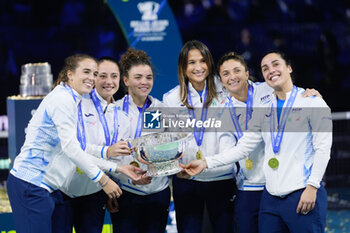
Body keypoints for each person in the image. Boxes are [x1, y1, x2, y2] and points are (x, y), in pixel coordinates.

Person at [183, 51, 332, 233]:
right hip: (270, 195)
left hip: (301, 190)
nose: (271, 71)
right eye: (265, 68)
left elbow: (323, 149)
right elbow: (244, 146)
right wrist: (206, 162)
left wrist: (312, 186)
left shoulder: (312, 102)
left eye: (276, 65)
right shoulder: (264, 108)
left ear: (289, 68)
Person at [6, 54, 143, 233]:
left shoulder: (70, 98)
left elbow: (78, 150)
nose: (91, 78)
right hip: (31, 184)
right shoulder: (63, 100)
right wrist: (103, 180)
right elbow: (72, 149)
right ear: (70, 74)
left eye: (94, 73)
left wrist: (118, 169)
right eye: (86, 72)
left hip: (43, 187)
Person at [49, 56, 134, 233]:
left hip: (94, 193)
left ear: (121, 79)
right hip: (63, 190)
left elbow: (118, 159)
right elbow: (73, 147)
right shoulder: (77, 103)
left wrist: (110, 183)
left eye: (114, 76)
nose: (109, 81)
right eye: (102, 75)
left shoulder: (122, 116)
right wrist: (106, 151)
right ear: (94, 78)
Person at [163, 40, 236, 233]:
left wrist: (303, 92)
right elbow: (167, 141)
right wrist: (173, 168)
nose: (198, 67)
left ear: (210, 63)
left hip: (222, 177)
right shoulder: (171, 98)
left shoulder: (227, 90)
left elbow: (257, 90)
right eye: (191, 62)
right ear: (183, 67)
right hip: (186, 180)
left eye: (202, 61)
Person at [110, 48, 170, 233]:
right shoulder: (114, 110)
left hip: (158, 192)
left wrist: (155, 171)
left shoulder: (162, 108)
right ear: (126, 80)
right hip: (126, 193)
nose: (144, 82)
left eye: (149, 77)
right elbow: (108, 155)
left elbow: (172, 151)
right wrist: (120, 180)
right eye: (138, 77)